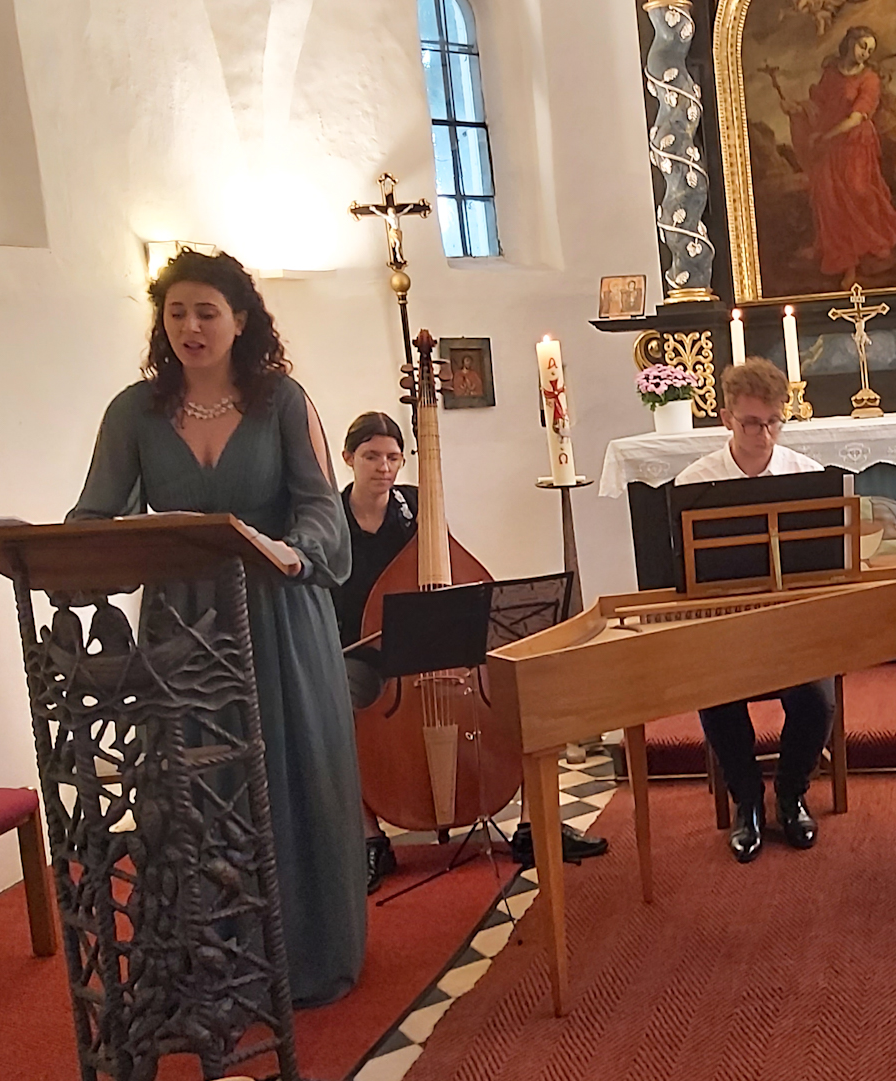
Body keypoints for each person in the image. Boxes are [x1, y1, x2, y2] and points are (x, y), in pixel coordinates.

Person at [68, 250, 364, 1008]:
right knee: (191, 788)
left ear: (240, 320)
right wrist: (77, 553)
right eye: (177, 313)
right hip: (179, 626)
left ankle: (305, 957)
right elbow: (94, 513)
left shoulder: (282, 400)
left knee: (290, 776)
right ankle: (207, 964)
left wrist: (293, 552)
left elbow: (322, 509)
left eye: (207, 312)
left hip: (277, 612)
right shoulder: (133, 411)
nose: (191, 327)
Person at [331, 412, 606, 893]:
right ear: (348, 457)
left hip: (432, 651)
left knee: (523, 691)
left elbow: (444, 574)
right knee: (332, 704)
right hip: (363, 650)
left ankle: (533, 827)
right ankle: (370, 839)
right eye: (372, 456)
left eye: (393, 457)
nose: (384, 467)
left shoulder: (415, 507)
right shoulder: (332, 520)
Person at [675, 358, 835, 863]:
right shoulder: (695, 484)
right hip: (728, 629)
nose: (763, 434)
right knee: (717, 696)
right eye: (750, 423)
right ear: (726, 418)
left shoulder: (806, 475)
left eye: (773, 422)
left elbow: (827, 566)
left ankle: (790, 794)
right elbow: (683, 580)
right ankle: (746, 800)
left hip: (793, 626)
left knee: (816, 700)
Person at [783, 25, 896, 287]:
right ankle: (844, 260)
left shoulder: (870, 79)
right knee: (827, 196)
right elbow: (819, 106)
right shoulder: (831, 73)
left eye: (870, 50)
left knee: (857, 190)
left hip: (855, 142)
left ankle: (871, 242)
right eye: (862, 46)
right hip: (829, 143)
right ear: (850, 42)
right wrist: (795, 109)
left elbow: (856, 117)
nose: (865, 53)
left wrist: (826, 136)